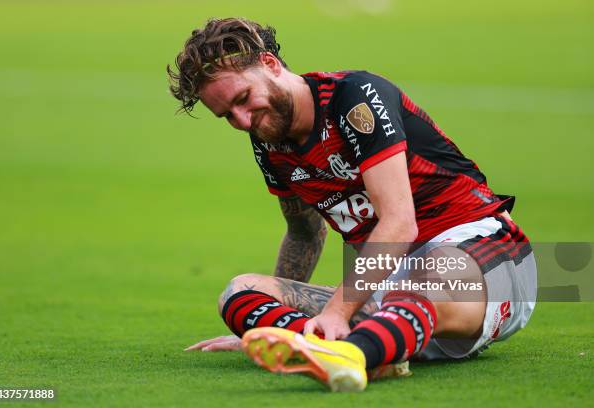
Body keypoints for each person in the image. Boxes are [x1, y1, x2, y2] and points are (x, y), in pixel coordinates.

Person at [167, 17, 537, 392]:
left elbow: (399, 224)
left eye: (243, 99)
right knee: (239, 292)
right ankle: (357, 347)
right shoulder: (269, 140)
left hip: (481, 256)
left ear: (270, 64)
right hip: (389, 284)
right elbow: (304, 233)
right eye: (227, 115)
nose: (243, 120)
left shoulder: (355, 97)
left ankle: (349, 353)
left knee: (430, 277)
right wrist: (274, 325)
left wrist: (336, 311)